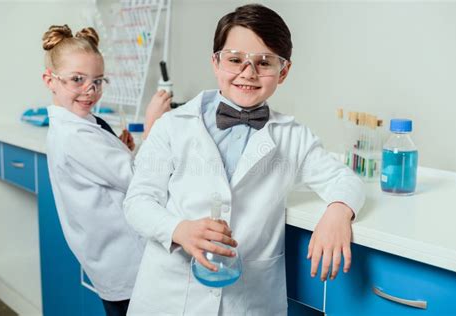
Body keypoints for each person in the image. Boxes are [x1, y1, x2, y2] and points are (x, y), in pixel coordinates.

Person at [123, 4, 365, 315]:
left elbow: (345, 180)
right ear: (216, 62)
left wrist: (339, 211)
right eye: (235, 60)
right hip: (169, 297)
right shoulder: (173, 125)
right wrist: (179, 229)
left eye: (264, 62)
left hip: (249, 301)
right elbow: (138, 202)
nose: (248, 73)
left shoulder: (293, 136)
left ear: (284, 71)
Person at [41, 24, 171, 316]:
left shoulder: (80, 123)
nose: (90, 91)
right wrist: (153, 126)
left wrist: (122, 149)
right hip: (124, 266)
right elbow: (140, 179)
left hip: (113, 262)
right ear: (50, 80)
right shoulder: (74, 136)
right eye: (77, 80)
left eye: (98, 81)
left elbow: (109, 168)